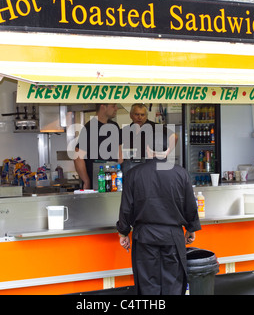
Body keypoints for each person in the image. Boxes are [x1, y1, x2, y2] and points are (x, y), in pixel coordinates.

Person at [116, 132, 200, 295]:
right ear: (168, 150)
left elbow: (126, 208)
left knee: (147, 286)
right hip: (173, 237)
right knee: (174, 285)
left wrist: (123, 233)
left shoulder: (133, 174)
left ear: (147, 149)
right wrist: (191, 229)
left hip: (144, 237)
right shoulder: (181, 173)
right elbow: (190, 206)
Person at [74, 103, 122, 189]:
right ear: (103, 106)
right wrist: (86, 181)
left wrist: (121, 177)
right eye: (113, 106)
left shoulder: (114, 126)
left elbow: (119, 155)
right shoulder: (90, 127)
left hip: (114, 182)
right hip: (97, 184)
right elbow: (78, 157)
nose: (116, 108)